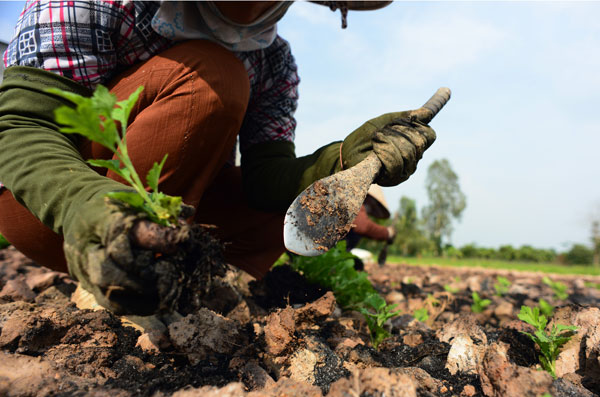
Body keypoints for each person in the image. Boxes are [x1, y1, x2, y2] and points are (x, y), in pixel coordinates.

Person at [0, 1, 437, 315]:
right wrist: (87, 207)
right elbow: (21, 128)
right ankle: (116, 265)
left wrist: (343, 161)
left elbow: (267, 182)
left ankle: (191, 288)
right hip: (46, 208)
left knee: (289, 202)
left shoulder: (273, 60)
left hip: (180, 210)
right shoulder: (103, 4)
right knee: (214, 77)